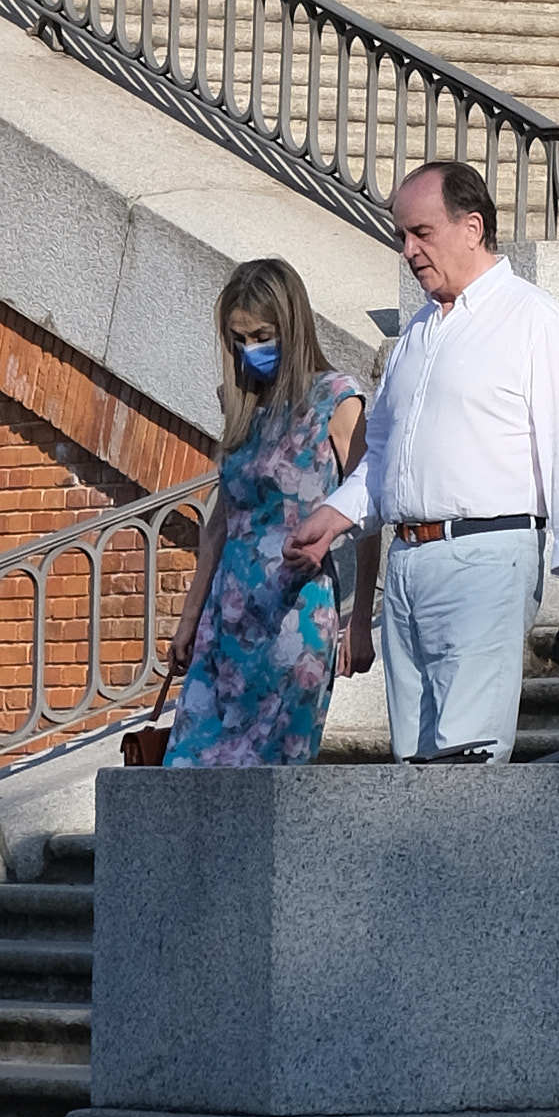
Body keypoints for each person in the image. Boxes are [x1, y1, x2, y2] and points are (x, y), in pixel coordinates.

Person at [292, 160, 559, 760]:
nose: (409, 251)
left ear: (472, 228)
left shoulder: (532, 319)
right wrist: (334, 515)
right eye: (401, 237)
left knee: (465, 758)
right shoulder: (416, 333)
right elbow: (384, 453)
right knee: (413, 762)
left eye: (422, 233)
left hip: (486, 557)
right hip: (410, 562)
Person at [153, 255, 367, 765]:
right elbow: (220, 522)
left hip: (297, 611)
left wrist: (356, 621)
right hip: (227, 614)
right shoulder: (239, 401)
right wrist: (188, 620)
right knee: (190, 763)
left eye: (262, 335)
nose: (252, 350)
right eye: (240, 339)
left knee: (271, 775)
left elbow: (368, 507)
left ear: (290, 327)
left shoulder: (336, 400)